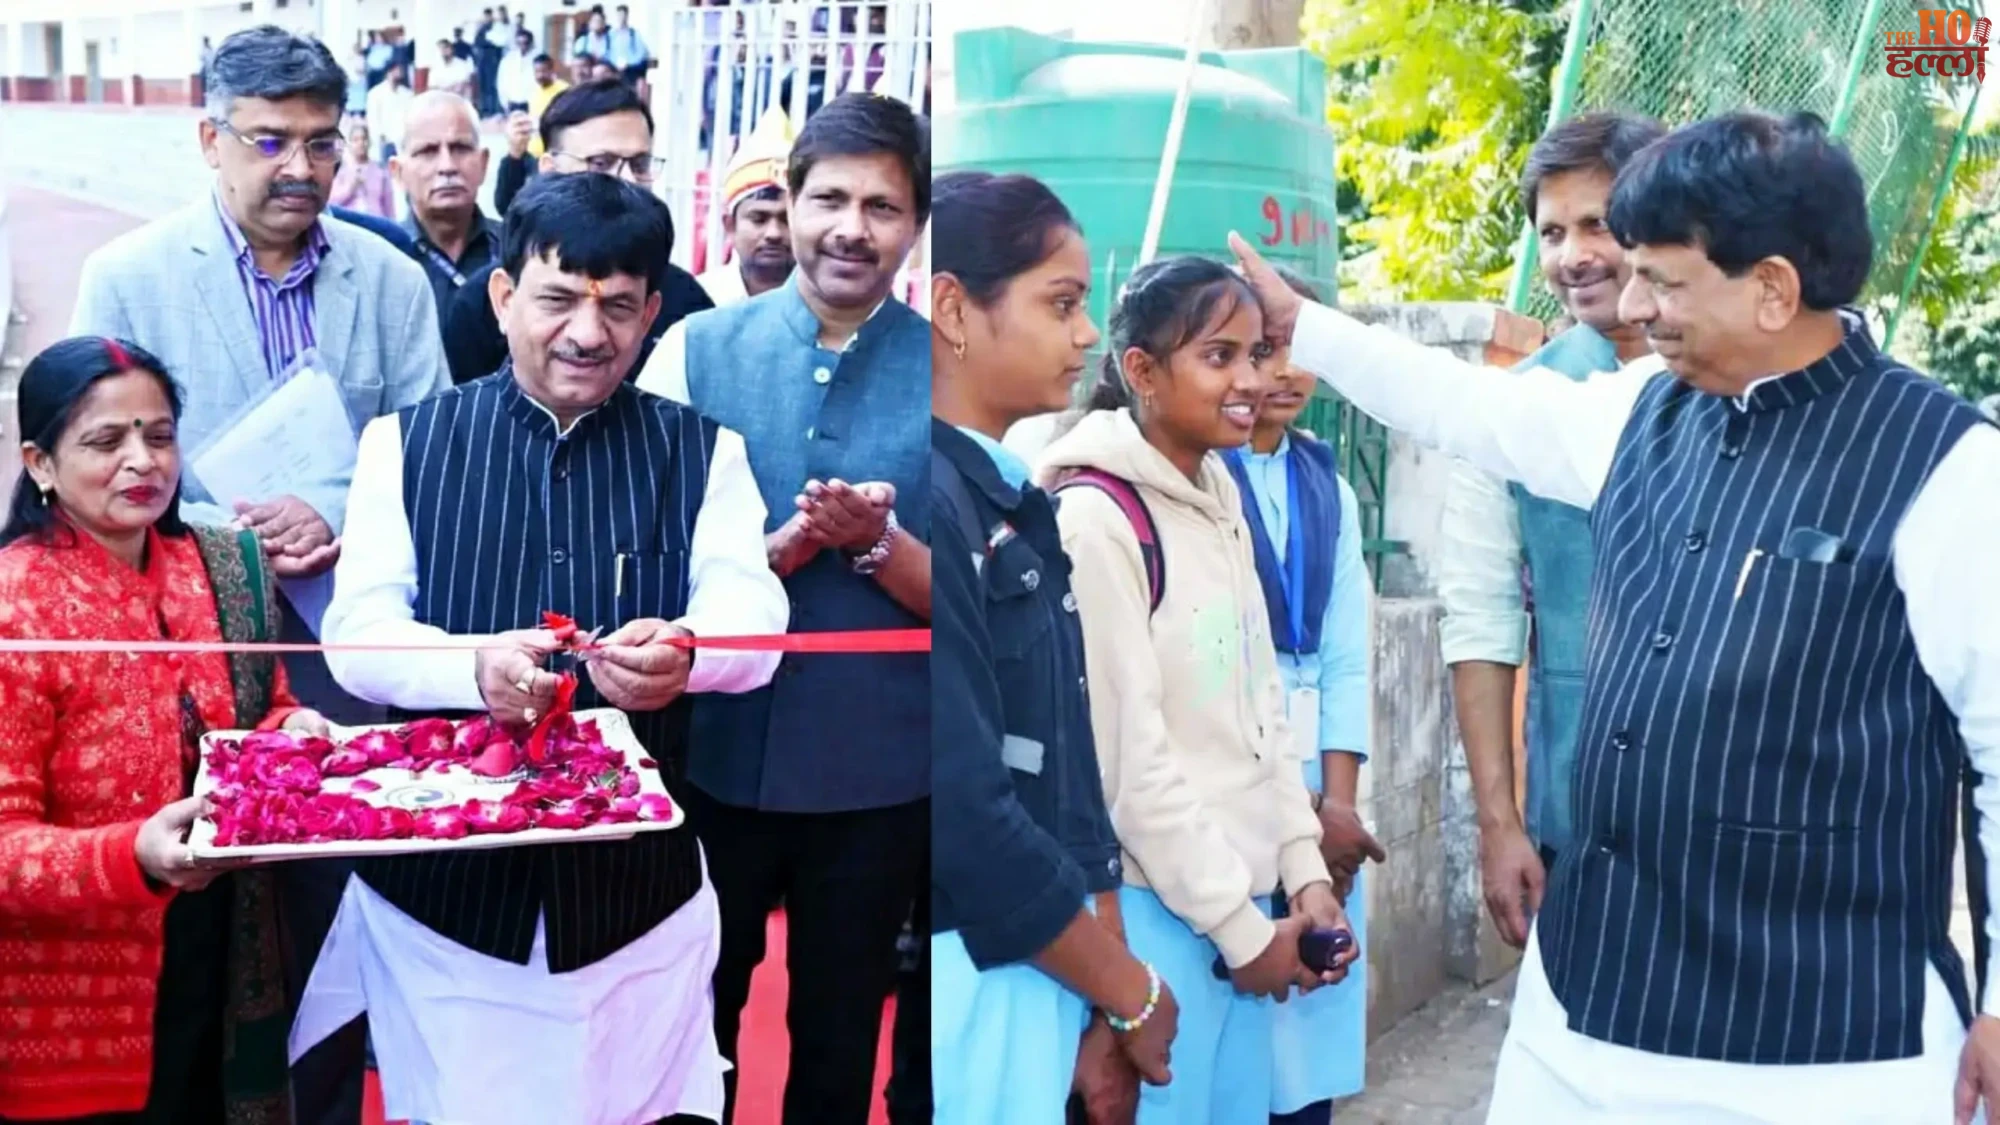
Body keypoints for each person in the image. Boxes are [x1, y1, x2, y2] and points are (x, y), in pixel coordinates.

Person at [1227, 110, 2000, 1122]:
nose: (1633, 304)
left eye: (1664, 281)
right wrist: (1312, 333)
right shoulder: (1639, 408)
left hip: (1828, 1043)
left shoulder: (1945, 467)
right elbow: (1472, 410)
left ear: (1771, 288)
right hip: (1587, 1009)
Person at [305, 172, 789, 1125]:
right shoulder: (406, 444)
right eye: (559, 298)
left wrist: (690, 651)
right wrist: (471, 668)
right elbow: (356, 632)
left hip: (634, 897)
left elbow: (754, 614)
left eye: (617, 306)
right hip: (447, 900)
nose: (586, 332)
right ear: (502, 297)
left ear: (653, 311)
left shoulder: (703, 450)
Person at [67, 26, 451, 1125]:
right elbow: (96, 469)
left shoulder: (389, 276)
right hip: (178, 651)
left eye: (322, 144)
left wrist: (332, 512)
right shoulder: (128, 276)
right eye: (270, 140)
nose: (300, 168)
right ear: (209, 139)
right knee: (195, 916)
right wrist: (225, 533)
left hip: (343, 648)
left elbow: (422, 447)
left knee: (331, 914)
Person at [633, 91, 932, 1125]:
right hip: (711, 750)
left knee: (841, 1026)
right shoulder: (693, 352)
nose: (851, 228)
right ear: (786, 206)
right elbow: (644, 560)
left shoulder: (953, 371)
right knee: (691, 1014)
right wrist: (770, 556)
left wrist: (876, 545)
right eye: (829, 199)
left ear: (914, 224)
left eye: (881, 207)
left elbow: (987, 600)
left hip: (880, 767)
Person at [1032, 256, 1356, 1124]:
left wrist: (1305, 873)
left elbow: (1261, 717)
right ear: (1140, 371)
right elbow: (1129, 772)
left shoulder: (1217, 491)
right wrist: (1243, 933)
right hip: (1161, 922)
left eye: (1257, 354)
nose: (1253, 380)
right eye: (1220, 357)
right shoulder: (1097, 519)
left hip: (1244, 918)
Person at [0, 336, 330, 1122]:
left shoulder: (224, 562)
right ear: (40, 463)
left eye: (158, 434)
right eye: (105, 441)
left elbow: (265, 708)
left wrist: (297, 727)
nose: (142, 461)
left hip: (226, 947)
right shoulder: (15, 605)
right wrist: (134, 854)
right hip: (77, 983)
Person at [928, 170, 1182, 1125]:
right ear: (953, 306)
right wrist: (1130, 990)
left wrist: (1099, 990)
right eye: (1062, 303)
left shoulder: (1009, 496)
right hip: (978, 964)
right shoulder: (943, 503)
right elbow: (970, 812)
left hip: (1041, 963)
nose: (1088, 334)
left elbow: (1065, 776)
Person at [1438, 111, 1665, 950]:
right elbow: (1482, 620)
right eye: (1553, 231)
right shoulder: (1511, 408)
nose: (1574, 255)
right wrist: (1501, 826)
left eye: (1598, 223)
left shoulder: (1742, 385)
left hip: (1737, 830)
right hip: (1579, 821)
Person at [1222, 266, 1382, 1125]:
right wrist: (1306, 808)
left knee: (1312, 1029)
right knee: (1242, 1027)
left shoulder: (1332, 483)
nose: (1278, 372)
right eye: (1257, 351)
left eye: (1296, 348)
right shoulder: (1198, 476)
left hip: (1329, 786)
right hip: (1240, 768)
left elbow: (1350, 654)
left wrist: (1341, 808)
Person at [452, 80, 712, 385]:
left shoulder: (685, 304)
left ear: (648, 312)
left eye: (640, 164)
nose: (627, 179)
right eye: (602, 162)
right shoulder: (480, 305)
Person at [390, 91, 500, 325]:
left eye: (460, 148)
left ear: (483, 163)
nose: (447, 166)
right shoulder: (382, 261)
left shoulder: (518, 250)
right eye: (428, 151)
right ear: (398, 172)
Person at [697, 106, 795, 307]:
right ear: (730, 225)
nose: (774, 233)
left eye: (787, 219)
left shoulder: (832, 304)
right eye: (759, 218)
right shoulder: (700, 299)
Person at [329, 117, 394, 218]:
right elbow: (331, 203)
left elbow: (389, 206)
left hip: (376, 223)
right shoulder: (340, 171)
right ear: (349, 144)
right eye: (356, 140)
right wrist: (350, 188)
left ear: (369, 142)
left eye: (364, 139)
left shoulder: (380, 171)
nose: (360, 143)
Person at [524, 53, 570, 158]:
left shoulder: (564, 91)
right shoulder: (533, 92)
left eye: (543, 71)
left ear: (552, 70)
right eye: (537, 71)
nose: (540, 75)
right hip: (533, 153)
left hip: (553, 154)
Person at [365, 62, 412, 163]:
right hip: (383, 141)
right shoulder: (375, 93)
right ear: (388, 72)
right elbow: (373, 119)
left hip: (401, 141)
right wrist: (380, 136)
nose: (398, 72)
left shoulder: (407, 94)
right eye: (395, 70)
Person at [607, 4, 651, 88]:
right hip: (614, 67)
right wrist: (615, 63)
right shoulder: (611, 34)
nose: (621, 18)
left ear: (627, 16)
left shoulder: (634, 34)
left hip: (630, 69)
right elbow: (609, 52)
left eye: (623, 15)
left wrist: (629, 64)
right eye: (619, 15)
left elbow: (641, 53)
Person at [496, 28, 537, 114]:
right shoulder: (508, 60)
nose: (522, 47)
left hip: (530, 104)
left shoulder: (536, 60)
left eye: (525, 43)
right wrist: (504, 102)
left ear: (530, 43)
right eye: (519, 43)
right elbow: (501, 82)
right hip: (512, 103)